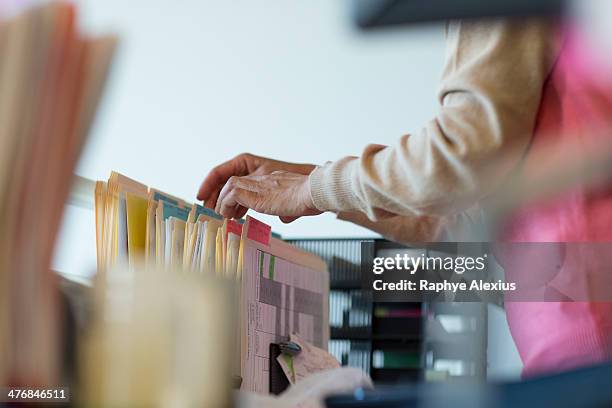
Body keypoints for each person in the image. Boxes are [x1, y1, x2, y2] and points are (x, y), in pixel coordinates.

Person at [198, 19, 612, 376]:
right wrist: (308, 183)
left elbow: (461, 157)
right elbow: (460, 218)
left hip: (588, 338)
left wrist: (314, 190)